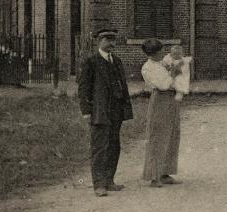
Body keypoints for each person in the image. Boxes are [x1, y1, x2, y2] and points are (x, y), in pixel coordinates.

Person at [77, 28, 133, 197]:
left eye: (113, 40)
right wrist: (86, 110)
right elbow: (83, 88)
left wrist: (125, 108)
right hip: (100, 110)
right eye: (107, 39)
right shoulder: (91, 62)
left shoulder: (117, 61)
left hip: (116, 110)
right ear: (98, 41)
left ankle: (109, 180)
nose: (111, 43)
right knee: (100, 147)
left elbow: (123, 86)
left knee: (114, 145)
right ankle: (99, 184)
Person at [140, 40, 191, 187]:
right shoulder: (147, 67)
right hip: (160, 101)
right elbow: (162, 85)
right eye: (159, 51)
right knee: (157, 136)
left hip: (171, 100)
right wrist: (173, 74)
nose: (162, 53)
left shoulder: (163, 63)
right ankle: (154, 176)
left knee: (172, 134)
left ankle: (166, 172)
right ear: (152, 53)